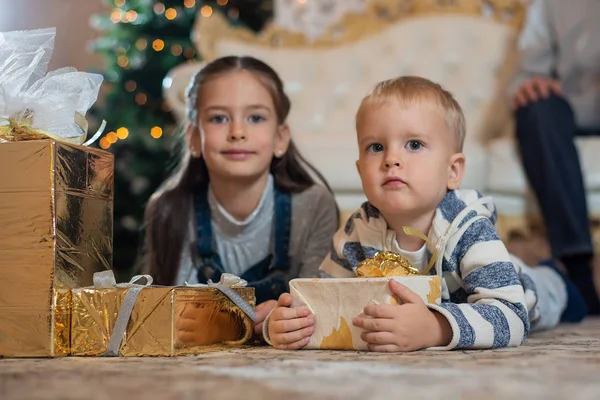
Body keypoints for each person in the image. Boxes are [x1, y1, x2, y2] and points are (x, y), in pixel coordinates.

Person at [265, 76, 587, 351]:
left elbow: (512, 317)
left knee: (572, 297)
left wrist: (436, 328)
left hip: (536, 293)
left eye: (414, 145)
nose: (391, 158)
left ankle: (559, 272)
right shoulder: (357, 230)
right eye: (376, 147)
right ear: (361, 170)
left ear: (453, 171)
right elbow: (323, 298)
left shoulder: (468, 228)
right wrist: (281, 323)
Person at [141, 56, 339, 340]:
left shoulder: (314, 205)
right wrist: (246, 323)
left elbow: (316, 313)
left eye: (255, 118)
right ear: (194, 139)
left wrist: (230, 324)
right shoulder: (169, 209)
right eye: (219, 118)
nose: (237, 132)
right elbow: (174, 318)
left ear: (281, 139)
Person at [510, 0, 600, 315]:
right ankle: (577, 269)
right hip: (573, 108)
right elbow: (527, 73)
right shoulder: (551, 4)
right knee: (536, 110)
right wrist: (529, 85)